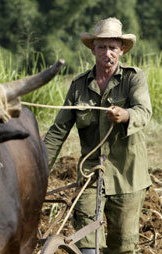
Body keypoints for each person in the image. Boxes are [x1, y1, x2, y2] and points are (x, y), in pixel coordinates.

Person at [44, 17, 152, 254]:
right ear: (92, 49)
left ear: (121, 50)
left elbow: (144, 112)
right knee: (85, 242)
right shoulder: (78, 85)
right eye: (101, 47)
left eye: (112, 47)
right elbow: (58, 131)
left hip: (128, 175)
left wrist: (125, 115)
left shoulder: (134, 78)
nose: (107, 53)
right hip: (91, 174)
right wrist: (39, 168)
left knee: (122, 246)